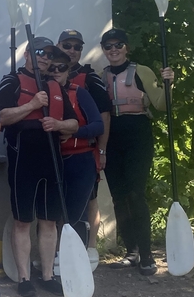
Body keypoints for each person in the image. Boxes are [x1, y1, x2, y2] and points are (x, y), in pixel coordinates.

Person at [0, 36, 78, 297]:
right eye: (38, 51)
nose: (44, 57)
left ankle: (48, 275)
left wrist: (59, 125)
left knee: (49, 220)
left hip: (51, 158)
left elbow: (74, 123)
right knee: (22, 221)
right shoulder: (12, 82)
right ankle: (24, 278)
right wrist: (32, 105)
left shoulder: (55, 85)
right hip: (23, 159)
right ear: (26, 54)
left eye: (49, 54)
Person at [99, 28, 174, 275]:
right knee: (119, 197)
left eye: (118, 45)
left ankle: (147, 254)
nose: (113, 50)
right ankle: (131, 251)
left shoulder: (141, 72)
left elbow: (162, 104)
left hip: (137, 134)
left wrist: (168, 82)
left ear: (126, 48)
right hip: (112, 136)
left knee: (135, 194)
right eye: (108, 46)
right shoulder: (103, 76)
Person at [58, 29, 112, 257]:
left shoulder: (88, 78)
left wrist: (102, 150)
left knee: (88, 199)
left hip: (85, 151)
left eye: (76, 47)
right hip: (58, 155)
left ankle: (90, 248)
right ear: (59, 47)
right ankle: (59, 252)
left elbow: (104, 116)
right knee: (60, 206)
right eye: (67, 46)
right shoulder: (48, 76)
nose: (72, 50)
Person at [47, 47, 103, 242]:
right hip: (52, 161)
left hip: (80, 160)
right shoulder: (41, 94)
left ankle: (77, 257)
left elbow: (98, 125)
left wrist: (74, 131)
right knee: (51, 215)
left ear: (68, 70)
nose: (56, 72)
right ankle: (54, 258)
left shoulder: (78, 93)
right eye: (51, 68)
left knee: (75, 215)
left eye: (61, 67)